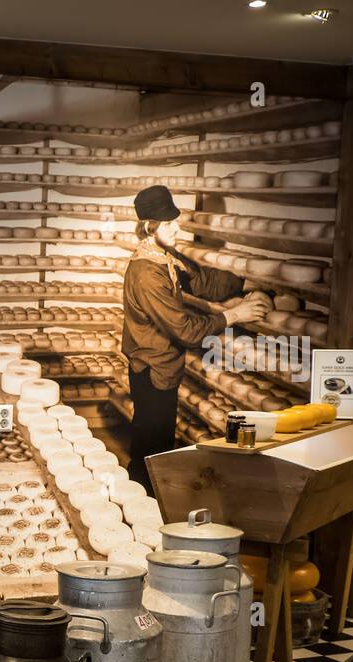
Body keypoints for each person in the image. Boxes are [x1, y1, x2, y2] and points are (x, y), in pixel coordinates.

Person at [121, 185, 269, 489]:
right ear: (150, 228)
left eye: (176, 221)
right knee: (151, 446)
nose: (178, 229)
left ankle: (146, 494)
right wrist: (235, 315)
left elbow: (202, 282)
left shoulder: (164, 256)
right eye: (169, 224)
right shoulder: (147, 273)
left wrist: (248, 281)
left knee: (156, 440)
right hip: (152, 370)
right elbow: (186, 330)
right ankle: (142, 502)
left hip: (163, 366)